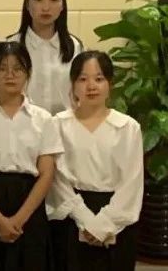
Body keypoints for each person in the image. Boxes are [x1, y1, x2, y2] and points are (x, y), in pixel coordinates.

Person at [0, 41, 62, 271]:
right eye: (2, 68)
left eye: (17, 68)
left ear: (28, 73)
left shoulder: (44, 119)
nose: (10, 74)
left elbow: (47, 174)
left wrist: (18, 220)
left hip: (28, 204)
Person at [48, 51, 142, 271]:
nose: (91, 86)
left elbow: (132, 184)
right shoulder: (58, 124)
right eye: (83, 79)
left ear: (110, 84)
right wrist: (85, 220)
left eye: (99, 79)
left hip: (117, 220)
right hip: (70, 217)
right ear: (73, 85)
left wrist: (102, 225)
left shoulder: (127, 127)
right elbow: (56, 180)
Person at [7, 0, 83, 115]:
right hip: (24, 123)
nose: (46, 7)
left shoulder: (74, 46)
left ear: (62, 6)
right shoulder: (12, 46)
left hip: (64, 124)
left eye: (54, 0)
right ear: (27, 4)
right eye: (38, 0)